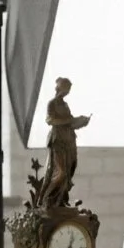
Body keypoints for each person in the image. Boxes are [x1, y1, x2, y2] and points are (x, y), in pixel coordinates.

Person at [38, 77, 90, 208]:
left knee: (68, 172)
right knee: (60, 173)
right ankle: (46, 199)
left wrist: (81, 121)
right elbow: (50, 120)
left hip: (69, 140)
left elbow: (70, 123)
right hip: (58, 141)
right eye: (66, 89)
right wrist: (69, 120)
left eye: (69, 90)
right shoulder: (52, 104)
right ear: (60, 88)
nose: (67, 92)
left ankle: (60, 200)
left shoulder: (65, 105)